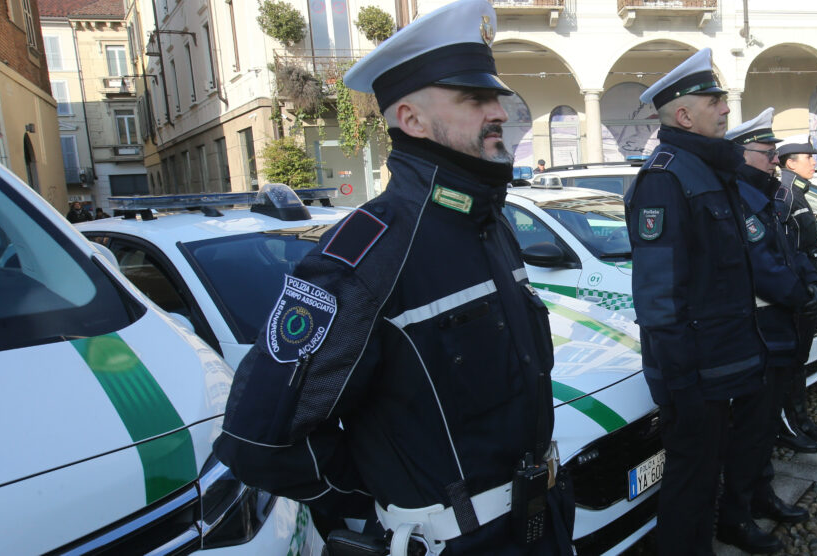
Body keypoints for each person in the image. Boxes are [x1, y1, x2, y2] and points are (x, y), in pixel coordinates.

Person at [213, 2, 577, 555]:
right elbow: (257, 441)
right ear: (410, 119)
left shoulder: (490, 224)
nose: (498, 111)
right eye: (474, 99)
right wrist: (378, 499)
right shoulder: (372, 250)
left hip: (538, 526)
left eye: (495, 96)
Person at [623, 47, 767, 556]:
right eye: (714, 101)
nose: (726, 109)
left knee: (709, 471)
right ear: (684, 115)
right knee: (691, 477)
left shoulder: (707, 168)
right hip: (694, 372)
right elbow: (659, 293)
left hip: (721, 359)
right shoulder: (667, 177)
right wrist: (681, 378)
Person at [717, 108, 817, 553]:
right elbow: (764, 268)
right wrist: (802, 293)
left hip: (778, 330)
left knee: (764, 430)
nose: (775, 161)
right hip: (760, 331)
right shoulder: (739, 199)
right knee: (751, 432)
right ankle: (734, 517)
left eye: (776, 153)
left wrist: (810, 282)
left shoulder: (766, 196)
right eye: (767, 153)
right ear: (743, 155)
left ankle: (762, 496)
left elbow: (791, 252)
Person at [774, 133, 817, 448]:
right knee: (789, 363)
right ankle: (787, 425)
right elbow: (785, 253)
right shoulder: (785, 196)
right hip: (796, 294)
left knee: (798, 363)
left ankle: (800, 419)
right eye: (807, 157)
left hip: (808, 288)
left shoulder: (798, 193)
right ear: (789, 162)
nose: (814, 162)